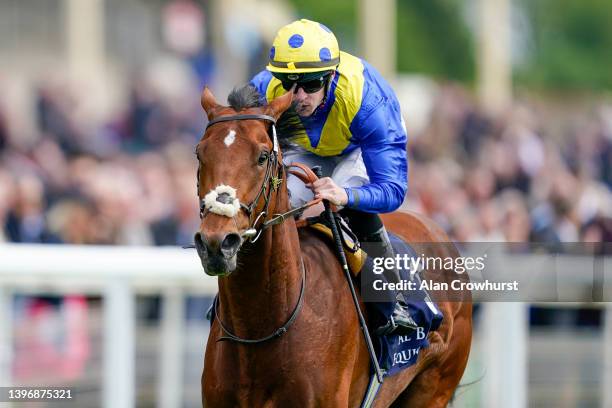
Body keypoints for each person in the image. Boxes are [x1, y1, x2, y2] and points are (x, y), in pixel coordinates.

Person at [250, 19, 417, 336]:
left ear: (331, 76)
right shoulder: (263, 89)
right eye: (288, 84)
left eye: (311, 84)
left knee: (346, 202)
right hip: (302, 144)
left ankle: (393, 301)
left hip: (356, 146)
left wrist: (345, 196)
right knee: (272, 199)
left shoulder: (369, 102)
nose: (298, 97)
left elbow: (393, 190)